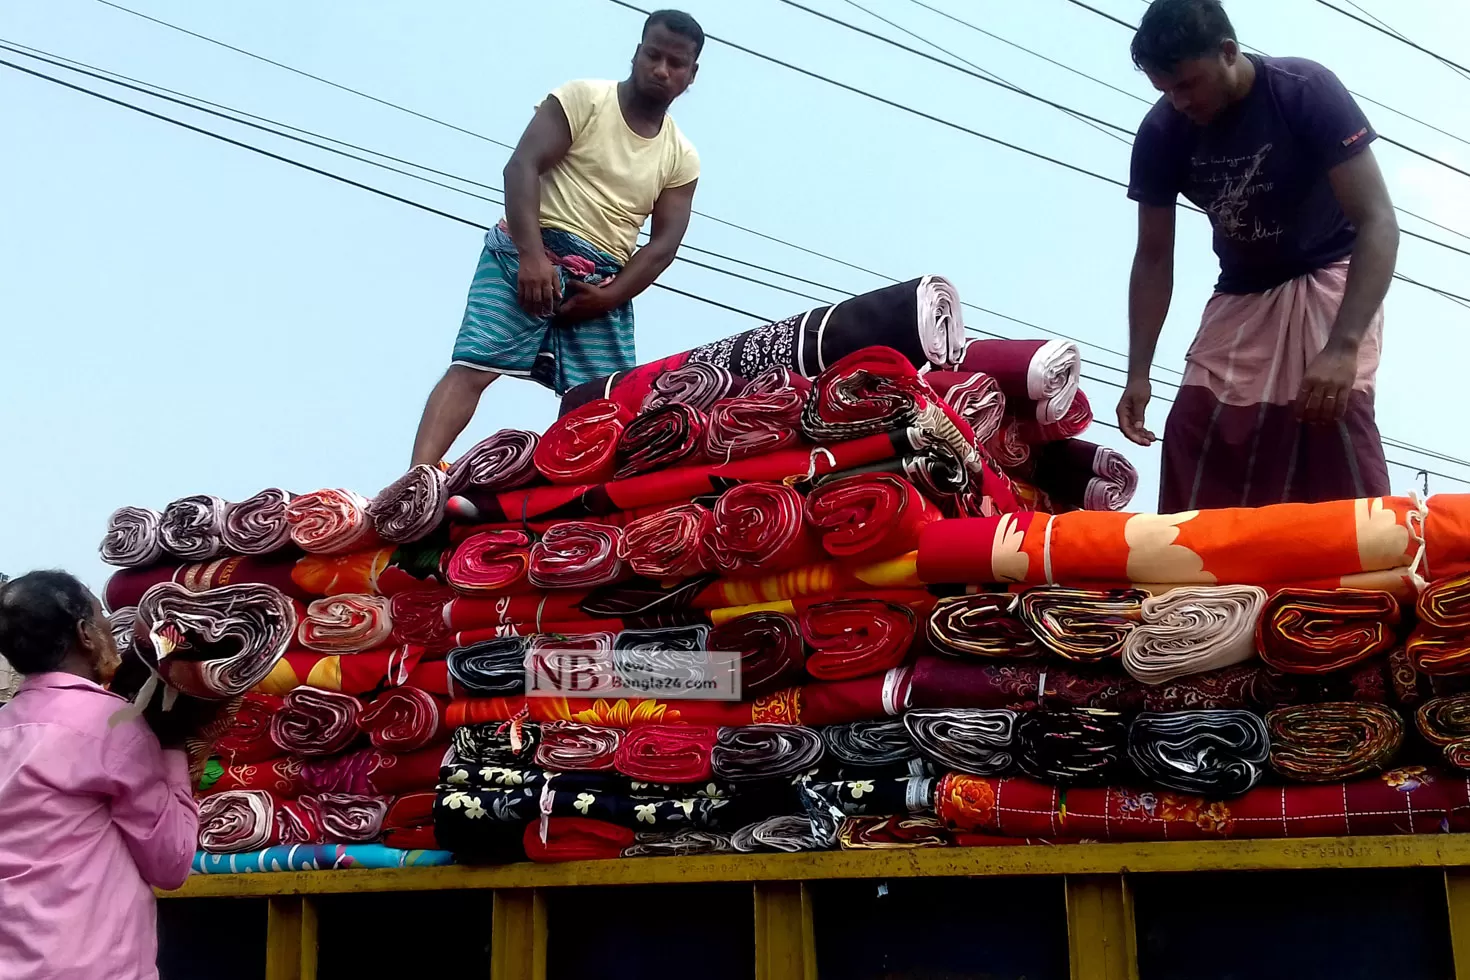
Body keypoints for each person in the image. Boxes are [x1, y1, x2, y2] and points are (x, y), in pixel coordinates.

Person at [1117, 0, 1398, 511]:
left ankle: (1357, 578)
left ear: (1228, 52)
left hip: (1330, 274)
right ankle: (1198, 580)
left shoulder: (1303, 91)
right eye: (1165, 91)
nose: (1178, 102)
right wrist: (1139, 372)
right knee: (1195, 427)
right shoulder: (1162, 134)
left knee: (1332, 420)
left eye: (1187, 85)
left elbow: (1378, 222)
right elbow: (1154, 258)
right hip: (1243, 291)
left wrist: (1342, 347)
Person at [409, 9, 704, 467]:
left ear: (692, 74)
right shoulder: (584, 99)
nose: (662, 69)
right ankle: (416, 478)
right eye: (653, 55)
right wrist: (531, 256)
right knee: (473, 367)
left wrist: (610, 297)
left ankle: (580, 494)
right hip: (527, 253)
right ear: (637, 53)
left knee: (605, 402)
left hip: (602, 280)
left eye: (676, 63)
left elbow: (663, 245)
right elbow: (521, 166)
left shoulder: (681, 156)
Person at [0, 570, 198, 980]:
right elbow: (171, 862)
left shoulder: (5, 725)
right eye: (102, 617)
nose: (112, 630)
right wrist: (174, 745)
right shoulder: (112, 725)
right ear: (85, 634)